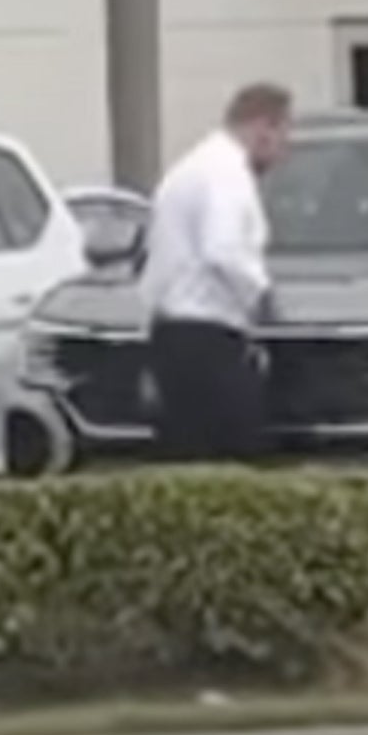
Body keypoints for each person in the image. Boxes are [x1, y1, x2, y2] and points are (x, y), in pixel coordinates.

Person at [138, 83, 293, 461]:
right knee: (239, 452)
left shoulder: (192, 166)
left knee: (187, 452)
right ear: (263, 127)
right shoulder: (226, 173)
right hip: (207, 336)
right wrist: (262, 296)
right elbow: (223, 249)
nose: (283, 149)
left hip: (171, 330)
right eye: (283, 135)